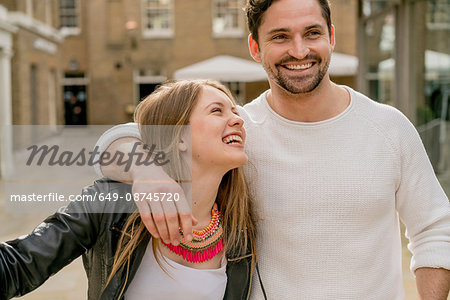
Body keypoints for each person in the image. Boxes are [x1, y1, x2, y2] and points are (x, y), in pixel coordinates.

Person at [94, 0, 450, 299]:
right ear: (255, 47)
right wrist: (147, 169)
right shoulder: (237, 134)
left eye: (312, 33)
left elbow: (435, 229)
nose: (299, 50)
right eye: (280, 37)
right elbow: (110, 145)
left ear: (332, 37)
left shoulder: (389, 127)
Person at [0, 80, 257, 300]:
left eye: (234, 111)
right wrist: (143, 168)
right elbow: (18, 266)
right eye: (217, 111)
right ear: (179, 136)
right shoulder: (111, 205)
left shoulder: (241, 225)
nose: (238, 119)